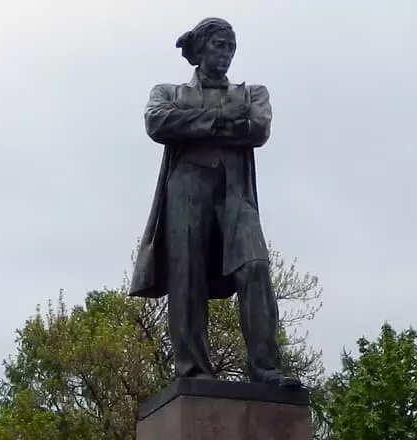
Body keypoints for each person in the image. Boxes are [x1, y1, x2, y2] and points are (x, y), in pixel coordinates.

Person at [129, 17, 301, 388]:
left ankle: (265, 369)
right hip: (186, 186)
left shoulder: (252, 94)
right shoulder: (168, 92)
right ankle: (193, 372)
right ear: (201, 49)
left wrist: (195, 123)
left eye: (230, 46)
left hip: (235, 191)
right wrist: (224, 120)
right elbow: (158, 123)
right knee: (186, 276)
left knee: (255, 267)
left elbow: (258, 128)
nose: (225, 53)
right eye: (218, 45)